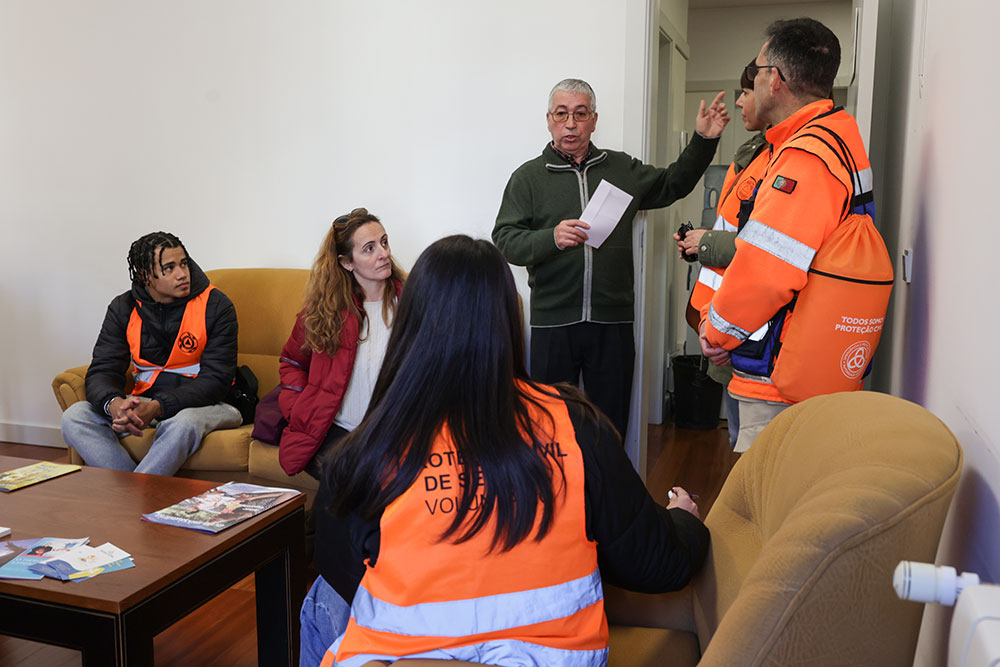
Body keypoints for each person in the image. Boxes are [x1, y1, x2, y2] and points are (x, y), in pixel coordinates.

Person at [300, 235, 710, 667]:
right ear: (509, 322)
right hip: (557, 657)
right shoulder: (573, 425)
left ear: (412, 325)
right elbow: (657, 564)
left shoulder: (369, 448)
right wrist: (684, 520)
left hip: (406, 656)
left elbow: (339, 565)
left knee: (318, 602)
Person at [493, 78, 730, 440]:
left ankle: (607, 495)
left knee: (610, 425)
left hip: (612, 322)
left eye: (580, 113)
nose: (570, 123)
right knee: (551, 427)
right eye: (562, 114)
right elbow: (505, 240)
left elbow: (673, 184)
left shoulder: (620, 169)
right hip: (553, 324)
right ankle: (559, 496)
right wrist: (550, 238)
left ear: (593, 119)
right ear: (549, 120)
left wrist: (704, 140)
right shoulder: (527, 179)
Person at [700, 18, 876, 451]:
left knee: (764, 511)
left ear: (774, 81)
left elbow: (768, 271)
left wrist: (717, 333)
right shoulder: (838, 133)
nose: (755, 81)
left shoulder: (805, 157)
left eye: (757, 71)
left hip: (781, 381)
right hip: (809, 362)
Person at [61, 232, 241, 475]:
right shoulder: (123, 307)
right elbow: (103, 369)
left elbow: (216, 381)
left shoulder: (216, 305)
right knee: (75, 417)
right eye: (169, 268)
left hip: (209, 405)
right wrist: (115, 405)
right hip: (147, 402)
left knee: (183, 424)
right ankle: (137, 495)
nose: (182, 274)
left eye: (184, 264)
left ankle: (133, 499)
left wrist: (157, 407)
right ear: (146, 276)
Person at [673, 59, 769, 448]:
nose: (740, 102)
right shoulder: (753, 151)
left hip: (748, 333)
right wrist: (702, 243)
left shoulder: (788, 158)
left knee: (751, 452)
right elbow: (737, 227)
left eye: (746, 92)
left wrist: (707, 243)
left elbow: (771, 248)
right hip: (724, 325)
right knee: (736, 441)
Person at [276, 208, 404, 479]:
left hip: (394, 432)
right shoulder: (324, 311)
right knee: (348, 478)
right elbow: (291, 362)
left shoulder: (412, 303)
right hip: (337, 431)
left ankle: (316, 522)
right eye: (369, 249)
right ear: (347, 262)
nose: (383, 253)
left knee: (369, 483)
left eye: (384, 242)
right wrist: (301, 408)